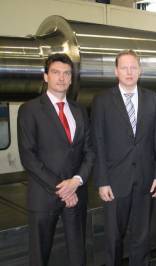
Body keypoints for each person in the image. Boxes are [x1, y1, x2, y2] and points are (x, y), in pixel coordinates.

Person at [17, 53, 95, 266]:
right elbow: (28, 157)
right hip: (44, 196)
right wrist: (62, 188)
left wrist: (76, 181)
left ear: (71, 79)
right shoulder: (29, 110)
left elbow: (89, 151)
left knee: (78, 255)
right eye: (56, 72)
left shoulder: (80, 110)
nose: (61, 78)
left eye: (66, 74)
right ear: (45, 77)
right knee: (39, 257)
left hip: (76, 194)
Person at [91, 50, 156, 266]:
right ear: (116, 71)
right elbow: (98, 142)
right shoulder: (102, 101)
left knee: (141, 238)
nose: (129, 72)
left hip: (146, 180)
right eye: (124, 67)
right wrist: (102, 181)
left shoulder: (153, 99)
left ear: (140, 70)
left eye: (133, 67)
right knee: (114, 238)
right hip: (114, 182)